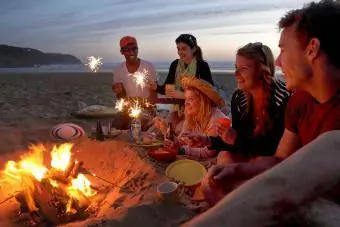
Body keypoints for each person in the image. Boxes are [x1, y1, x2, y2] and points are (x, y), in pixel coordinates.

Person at [183, 0, 340, 226]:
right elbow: (280, 160)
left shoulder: (286, 101)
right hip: (295, 185)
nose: (278, 61)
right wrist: (236, 168)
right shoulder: (300, 101)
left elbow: (282, 171)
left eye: (283, 50)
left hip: (326, 205)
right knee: (215, 179)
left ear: (312, 49)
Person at [212, 42, 290, 165]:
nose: (236, 74)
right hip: (250, 156)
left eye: (243, 69)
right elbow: (239, 144)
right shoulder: (239, 98)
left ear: (262, 70)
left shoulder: (283, 100)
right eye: (236, 68)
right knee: (224, 155)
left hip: (275, 164)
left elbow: (275, 151)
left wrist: (236, 140)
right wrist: (207, 141)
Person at [149, 34, 214, 129]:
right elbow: (167, 88)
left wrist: (184, 95)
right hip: (179, 108)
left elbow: (209, 92)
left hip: (197, 110)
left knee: (180, 130)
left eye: (183, 49)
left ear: (194, 49)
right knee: (161, 127)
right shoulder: (175, 65)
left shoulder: (202, 66)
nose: (180, 52)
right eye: (178, 49)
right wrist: (155, 87)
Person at [162, 77, 227, 159]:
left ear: (203, 102)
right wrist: (168, 134)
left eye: (191, 99)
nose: (186, 103)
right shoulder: (192, 115)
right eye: (186, 99)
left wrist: (181, 150)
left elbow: (207, 152)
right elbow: (181, 139)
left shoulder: (216, 120)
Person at [112, 36, 157, 101]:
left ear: (138, 49)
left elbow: (154, 93)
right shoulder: (118, 70)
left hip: (147, 107)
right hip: (129, 108)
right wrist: (119, 91)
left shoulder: (149, 66)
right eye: (127, 49)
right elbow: (120, 96)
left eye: (134, 49)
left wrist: (147, 105)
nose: (132, 52)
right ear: (122, 52)